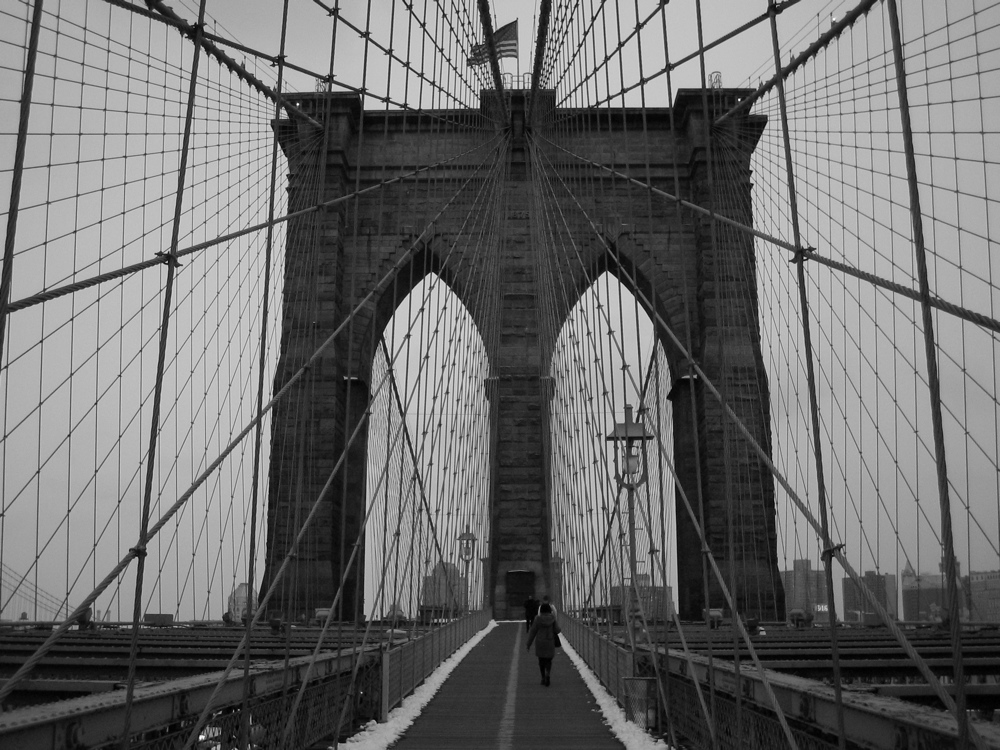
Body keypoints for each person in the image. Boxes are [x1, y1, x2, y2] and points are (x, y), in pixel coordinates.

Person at [526, 603, 561, 686]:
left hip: (540, 642)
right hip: (550, 642)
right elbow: (558, 630)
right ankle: (547, 673)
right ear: (550, 610)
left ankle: (542, 677)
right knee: (549, 660)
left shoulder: (537, 619)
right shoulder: (552, 619)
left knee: (541, 661)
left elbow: (532, 632)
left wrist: (528, 644)